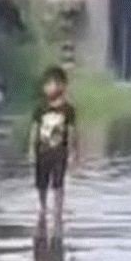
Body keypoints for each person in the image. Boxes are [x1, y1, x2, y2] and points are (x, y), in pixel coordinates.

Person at [28, 65, 77, 217]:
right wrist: (31, 150)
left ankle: (58, 208)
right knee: (41, 182)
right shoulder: (40, 108)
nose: (51, 88)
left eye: (54, 83)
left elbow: (71, 132)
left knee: (58, 182)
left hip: (60, 152)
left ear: (63, 85)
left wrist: (72, 152)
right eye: (47, 84)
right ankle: (42, 207)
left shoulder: (68, 110)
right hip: (42, 151)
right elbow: (34, 130)